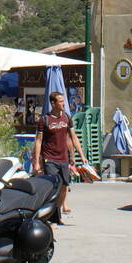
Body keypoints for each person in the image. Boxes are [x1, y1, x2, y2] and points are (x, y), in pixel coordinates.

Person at [32, 92, 88, 225]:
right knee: (52, 187)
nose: (63, 104)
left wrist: (81, 155)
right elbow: (38, 141)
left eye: (64, 101)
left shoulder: (67, 118)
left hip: (63, 158)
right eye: (60, 101)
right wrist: (36, 162)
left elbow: (73, 138)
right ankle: (49, 219)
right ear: (53, 103)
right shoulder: (44, 120)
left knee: (64, 187)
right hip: (49, 158)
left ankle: (56, 214)